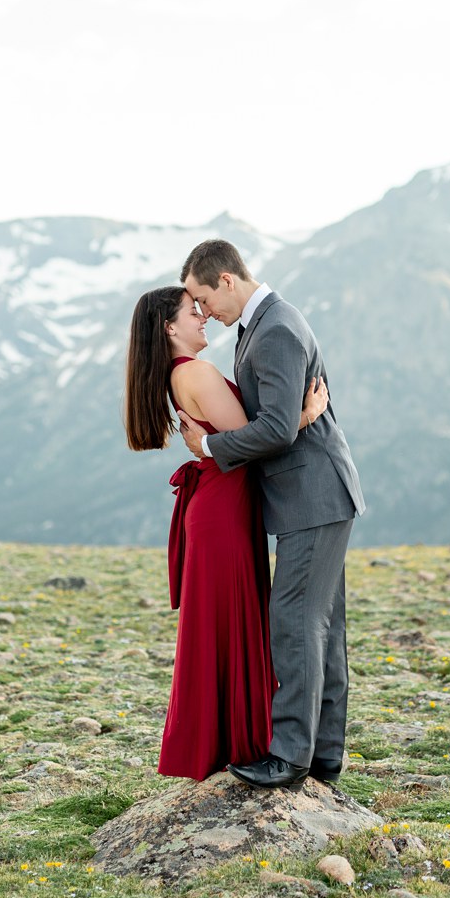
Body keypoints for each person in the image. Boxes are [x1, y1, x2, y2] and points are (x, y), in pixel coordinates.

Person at [177, 238, 366, 789]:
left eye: (203, 298)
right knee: (323, 630)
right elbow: (284, 418)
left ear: (227, 281)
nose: (203, 311)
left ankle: (289, 758)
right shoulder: (265, 325)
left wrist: (209, 449)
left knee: (297, 625)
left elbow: (278, 429)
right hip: (316, 495)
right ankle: (324, 757)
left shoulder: (276, 328)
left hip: (312, 495)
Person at [126, 285, 326, 781]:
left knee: (223, 624)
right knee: (229, 622)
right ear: (170, 328)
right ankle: (238, 742)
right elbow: (254, 440)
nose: (203, 319)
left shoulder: (181, 374)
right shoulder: (196, 372)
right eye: (192, 313)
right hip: (223, 513)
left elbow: (225, 441)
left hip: (221, 507)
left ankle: (225, 740)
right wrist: (304, 416)